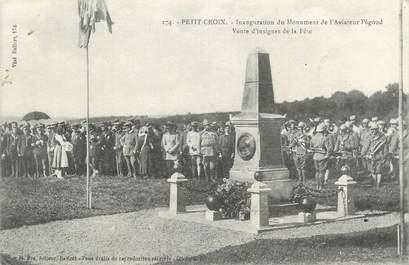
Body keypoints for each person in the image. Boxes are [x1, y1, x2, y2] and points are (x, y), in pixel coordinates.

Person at [362, 122, 388, 188]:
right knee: (373, 170)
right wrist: (363, 154)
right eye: (372, 129)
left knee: (379, 170)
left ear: (377, 129)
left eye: (375, 129)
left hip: (379, 155)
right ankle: (374, 183)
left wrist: (385, 156)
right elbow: (366, 146)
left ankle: (378, 184)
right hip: (371, 156)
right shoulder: (369, 137)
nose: (373, 131)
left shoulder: (382, 137)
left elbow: (385, 148)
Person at [310, 123, 333, 190]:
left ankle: (317, 186)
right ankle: (321, 186)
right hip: (323, 156)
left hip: (315, 156)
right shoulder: (324, 138)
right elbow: (329, 148)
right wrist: (328, 154)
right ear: (323, 130)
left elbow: (311, 147)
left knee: (317, 171)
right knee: (322, 172)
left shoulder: (313, 137)